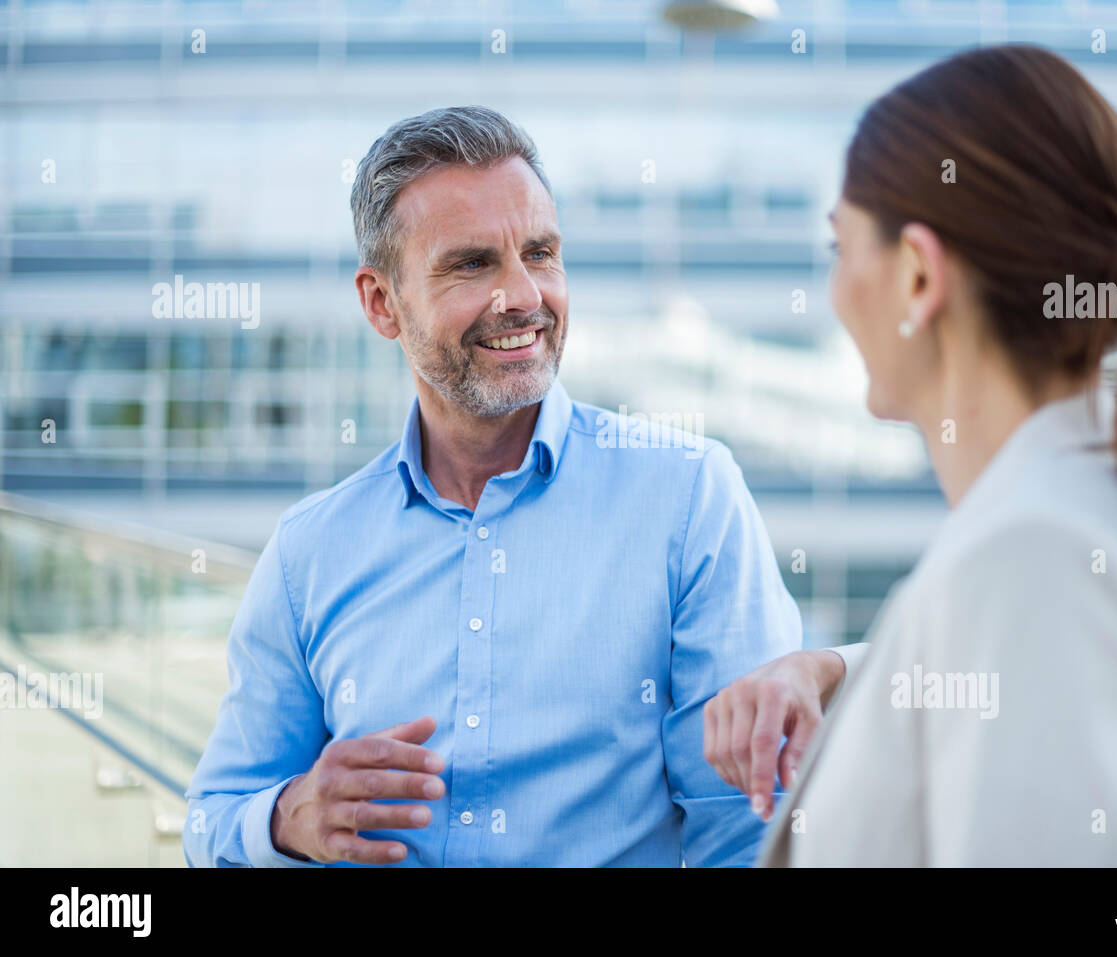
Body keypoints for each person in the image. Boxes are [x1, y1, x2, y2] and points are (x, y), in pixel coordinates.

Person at [182, 106, 853, 868]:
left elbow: (745, 825)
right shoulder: (310, 551)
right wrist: (283, 818)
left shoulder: (688, 498)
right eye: (472, 263)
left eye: (540, 252)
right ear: (380, 303)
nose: (523, 295)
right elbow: (210, 818)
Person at [704, 44, 1117, 866]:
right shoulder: (1061, 523)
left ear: (919, 278)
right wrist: (825, 668)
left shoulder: (1036, 554)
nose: (834, 289)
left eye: (840, 247)